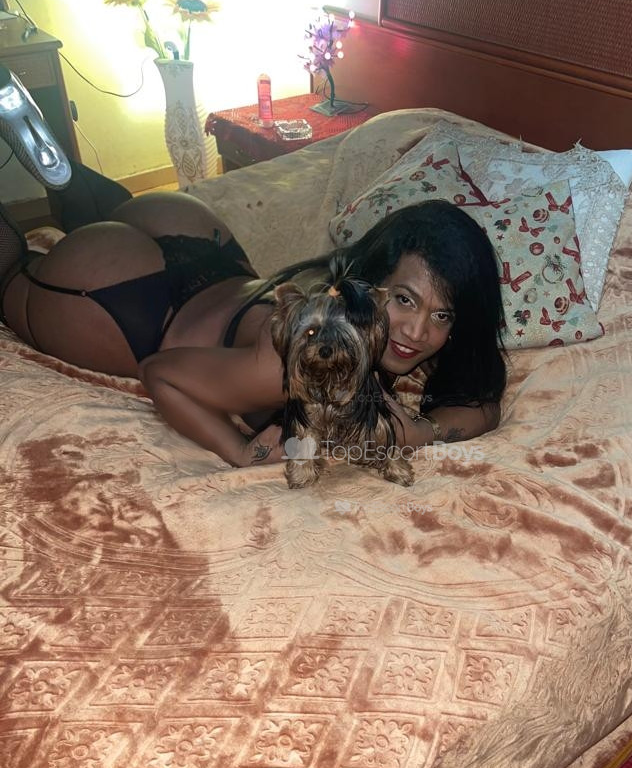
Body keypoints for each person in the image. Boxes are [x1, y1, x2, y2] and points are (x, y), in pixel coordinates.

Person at [0, 66, 507, 468]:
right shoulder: (303, 356)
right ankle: (62, 203)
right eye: (404, 300)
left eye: (442, 315)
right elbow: (160, 374)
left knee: (103, 220)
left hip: (192, 232)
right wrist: (239, 451)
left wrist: (424, 431)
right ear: (374, 282)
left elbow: (483, 407)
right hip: (125, 304)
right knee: (9, 276)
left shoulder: (356, 305)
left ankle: (72, 184)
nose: (417, 331)